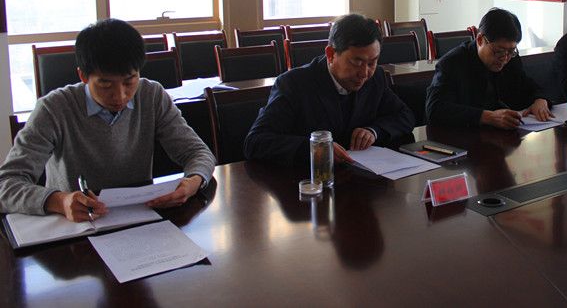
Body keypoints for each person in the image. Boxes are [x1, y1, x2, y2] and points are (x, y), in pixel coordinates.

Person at [0, 19, 215, 222]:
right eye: (105, 84)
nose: (120, 96)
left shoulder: (152, 95)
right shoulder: (54, 108)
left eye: (129, 81)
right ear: (83, 76)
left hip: (139, 220)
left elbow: (198, 152)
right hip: (77, 227)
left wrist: (193, 181)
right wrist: (59, 201)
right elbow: (6, 185)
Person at [244, 14, 414, 166]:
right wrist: (314, 148)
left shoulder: (375, 78)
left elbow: (405, 115)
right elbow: (255, 142)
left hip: (362, 178)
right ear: (331, 54)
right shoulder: (294, 84)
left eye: (372, 62)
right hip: (308, 182)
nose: (364, 73)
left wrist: (374, 131)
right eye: (356, 62)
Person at [425, 8, 552, 130]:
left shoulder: (511, 59)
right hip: (464, 138)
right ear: (480, 40)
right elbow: (434, 109)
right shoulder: (452, 63)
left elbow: (528, 86)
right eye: (499, 51)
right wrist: (487, 117)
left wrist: (540, 100)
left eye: (511, 51)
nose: (504, 58)